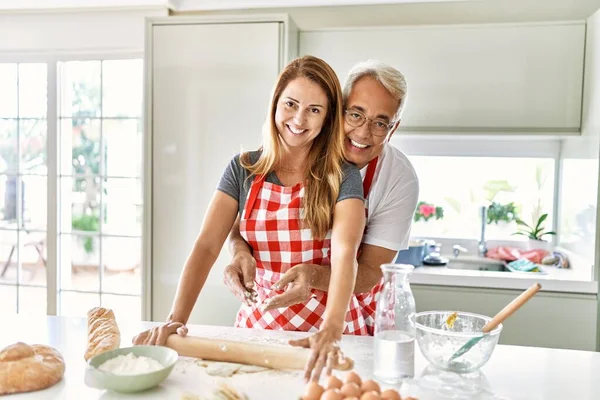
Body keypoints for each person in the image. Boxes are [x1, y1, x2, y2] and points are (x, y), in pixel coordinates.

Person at [133, 55, 367, 382]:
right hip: (260, 330)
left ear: (327, 119)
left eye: (314, 110)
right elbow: (206, 245)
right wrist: (176, 318)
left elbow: (345, 253)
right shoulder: (242, 169)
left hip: (326, 330)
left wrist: (332, 327)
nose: (299, 119)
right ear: (275, 104)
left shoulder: (343, 175)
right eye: (291, 104)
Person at [224, 60, 420, 336]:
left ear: (393, 128)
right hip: (271, 314)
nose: (363, 133)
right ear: (338, 110)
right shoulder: (294, 145)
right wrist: (239, 252)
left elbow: (372, 270)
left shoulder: (398, 178)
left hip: (356, 308)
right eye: (355, 115)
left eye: (380, 123)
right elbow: (242, 222)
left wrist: (314, 277)